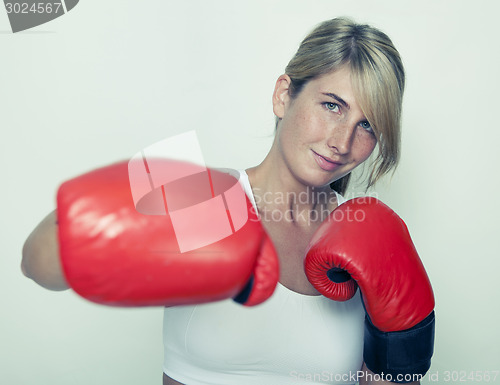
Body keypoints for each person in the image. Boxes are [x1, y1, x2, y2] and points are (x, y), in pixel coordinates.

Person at [22, 17, 433, 385]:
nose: (342, 141)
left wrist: (400, 345)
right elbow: (38, 266)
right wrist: (126, 212)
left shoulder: (368, 233)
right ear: (284, 96)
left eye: (367, 126)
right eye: (331, 106)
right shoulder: (207, 197)